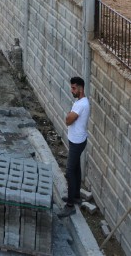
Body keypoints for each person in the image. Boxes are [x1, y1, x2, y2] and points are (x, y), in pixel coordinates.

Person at [57, 76, 91, 218]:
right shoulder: (82, 102)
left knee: (70, 172)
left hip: (77, 142)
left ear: (81, 88)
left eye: (73, 88)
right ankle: (76, 196)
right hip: (78, 140)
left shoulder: (80, 105)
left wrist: (68, 116)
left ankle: (70, 205)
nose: (71, 90)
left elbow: (68, 120)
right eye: (71, 87)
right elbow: (70, 119)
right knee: (76, 169)